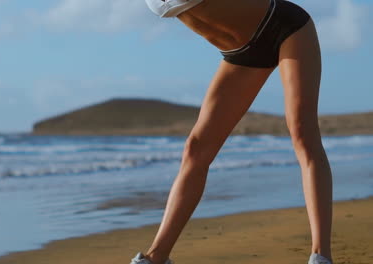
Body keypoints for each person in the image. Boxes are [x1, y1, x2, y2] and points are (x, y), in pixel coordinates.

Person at [129, 0, 334, 264]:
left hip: (285, 26)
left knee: (302, 133)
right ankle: (156, 257)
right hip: (242, 53)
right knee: (195, 149)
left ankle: (321, 256)